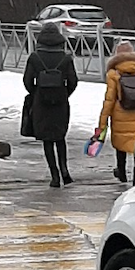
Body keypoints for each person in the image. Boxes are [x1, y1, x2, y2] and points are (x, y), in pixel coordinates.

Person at [22, 21, 80, 187]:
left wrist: (37, 93)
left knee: (47, 139)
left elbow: (27, 81)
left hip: (41, 103)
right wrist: (64, 94)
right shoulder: (66, 57)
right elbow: (73, 81)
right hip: (61, 103)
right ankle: (65, 171)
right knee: (60, 137)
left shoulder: (35, 57)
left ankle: (54, 176)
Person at [97, 41, 135, 185]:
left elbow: (109, 100)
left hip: (120, 114)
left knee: (121, 143)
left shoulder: (113, 74)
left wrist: (102, 122)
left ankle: (122, 173)